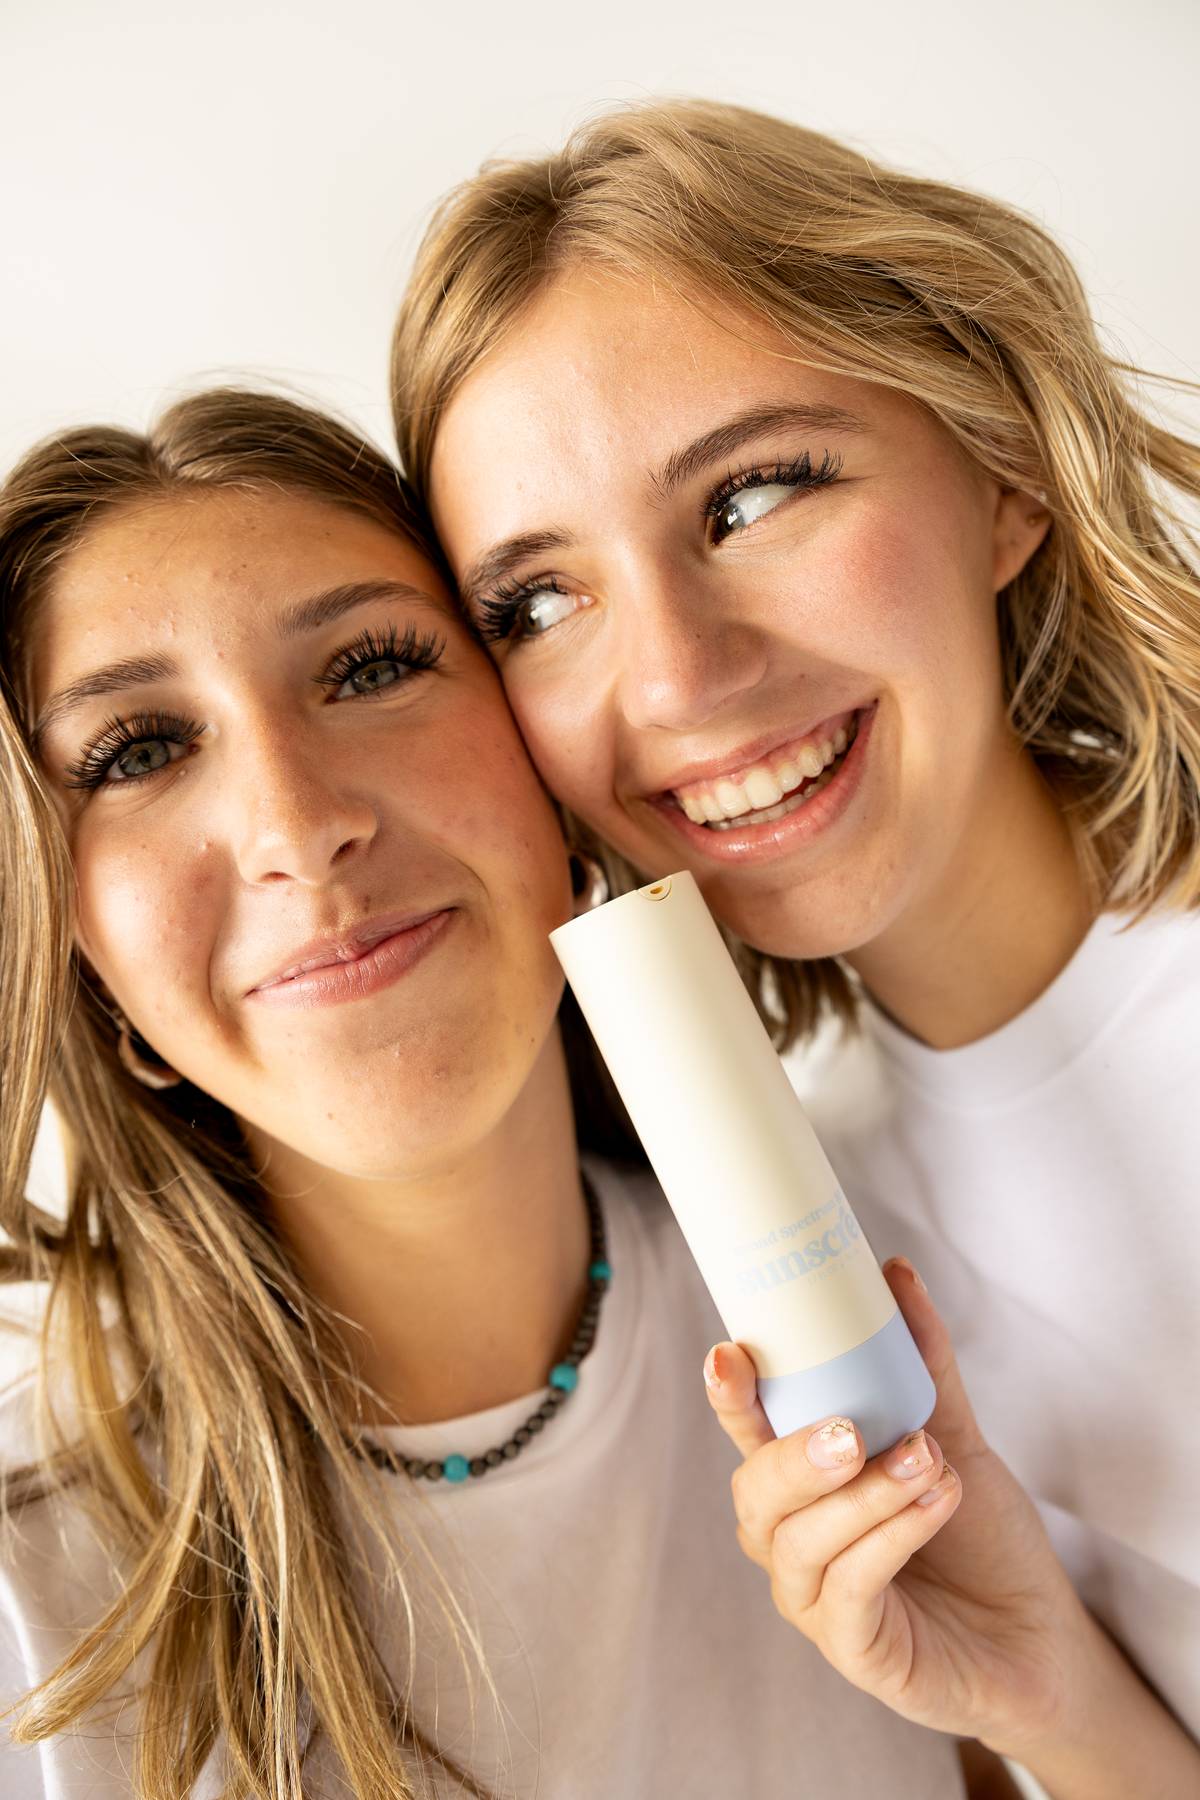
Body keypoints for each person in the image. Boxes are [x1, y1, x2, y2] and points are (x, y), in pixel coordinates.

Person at [389, 93, 1200, 1763]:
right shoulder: (809, 1274)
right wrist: (1033, 1684)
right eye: (538, 604)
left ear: (1004, 475)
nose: (677, 679)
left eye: (754, 497)